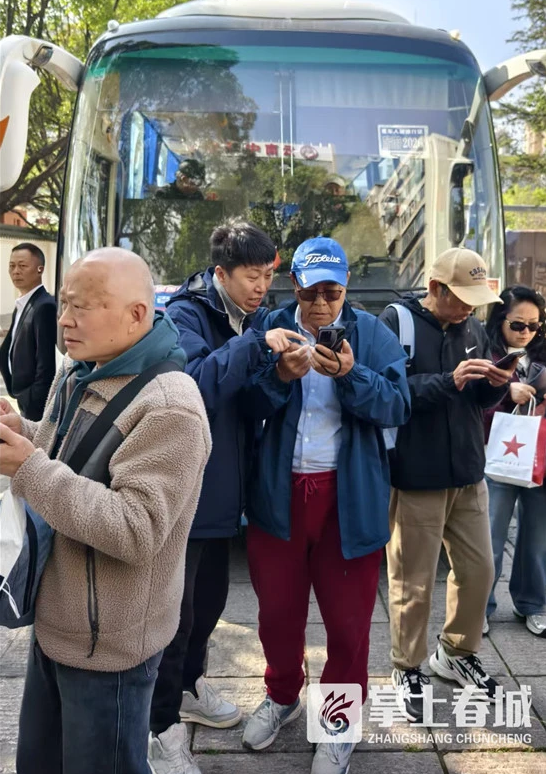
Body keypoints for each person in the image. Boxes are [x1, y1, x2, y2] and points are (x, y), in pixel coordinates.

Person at [0, 247, 211, 774]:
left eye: (82, 306)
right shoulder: (79, 372)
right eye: (64, 303)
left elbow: (136, 530)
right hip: (56, 620)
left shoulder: (170, 406)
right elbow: (63, 454)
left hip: (110, 646)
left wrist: (29, 467)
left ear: (136, 314)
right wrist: (21, 431)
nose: (65, 320)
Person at [242, 237, 411, 774]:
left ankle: (338, 723)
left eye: (332, 293)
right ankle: (282, 694)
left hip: (348, 496)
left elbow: (398, 405)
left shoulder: (372, 334)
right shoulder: (267, 328)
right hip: (277, 494)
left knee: (348, 622)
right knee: (277, 614)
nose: (320, 304)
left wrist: (349, 375)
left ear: (346, 288)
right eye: (310, 292)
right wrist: (279, 376)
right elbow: (240, 402)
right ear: (294, 285)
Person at [148, 219, 305, 774]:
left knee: (210, 604)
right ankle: (159, 727)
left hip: (225, 492)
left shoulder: (255, 318)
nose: (262, 287)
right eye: (251, 276)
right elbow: (195, 384)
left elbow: (248, 403)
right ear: (221, 273)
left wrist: (281, 377)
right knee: (174, 616)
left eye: (268, 276)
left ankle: (190, 687)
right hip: (186, 490)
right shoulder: (184, 315)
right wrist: (255, 344)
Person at [379, 248, 515, 724]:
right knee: (412, 581)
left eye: (475, 300)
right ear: (435, 288)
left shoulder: (472, 327)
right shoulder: (396, 322)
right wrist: (448, 380)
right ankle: (407, 666)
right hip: (417, 475)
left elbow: (477, 399)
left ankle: (456, 652)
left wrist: (497, 382)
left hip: (469, 473)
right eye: (461, 298)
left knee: (479, 571)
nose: (468, 309)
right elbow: (387, 393)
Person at [483, 285, 546, 638]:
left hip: (540, 457)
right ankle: (480, 607)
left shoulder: (541, 355)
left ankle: (532, 604)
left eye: (534, 326)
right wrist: (506, 391)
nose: (526, 333)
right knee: (489, 537)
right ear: (500, 320)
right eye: (518, 325)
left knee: (538, 538)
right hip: (499, 454)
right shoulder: (483, 352)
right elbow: (472, 402)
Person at [0, 242, 57, 420]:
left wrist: (33, 401)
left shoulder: (45, 306)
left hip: (35, 406)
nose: (16, 271)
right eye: (12, 266)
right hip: (22, 397)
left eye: (23, 266)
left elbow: (46, 363)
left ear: (40, 269)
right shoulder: (23, 304)